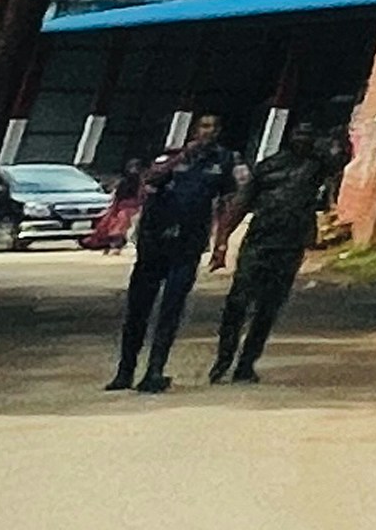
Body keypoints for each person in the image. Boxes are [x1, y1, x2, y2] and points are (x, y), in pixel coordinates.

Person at [106, 117, 240, 393]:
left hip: (188, 244)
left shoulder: (225, 161)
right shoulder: (169, 155)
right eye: (204, 127)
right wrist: (181, 157)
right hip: (154, 241)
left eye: (214, 127)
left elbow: (226, 203)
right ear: (194, 130)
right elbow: (148, 181)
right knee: (138, 309)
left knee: (171, 308)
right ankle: (125, 371)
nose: (209, 132)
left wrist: (221, 244)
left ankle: (155, 370)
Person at [207, 123, 340, 385]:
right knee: (237, 304)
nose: (303, 139)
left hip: (290, 246)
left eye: (308, 135)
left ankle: (246, 364)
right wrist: (221, 242)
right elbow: (240, 204)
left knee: (267, 309)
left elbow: (340, 159)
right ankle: (223, 359)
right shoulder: (268, 167)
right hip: (259, 242)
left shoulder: (317, 166)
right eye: (299, 134)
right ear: (290, 136)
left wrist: (336, 139)